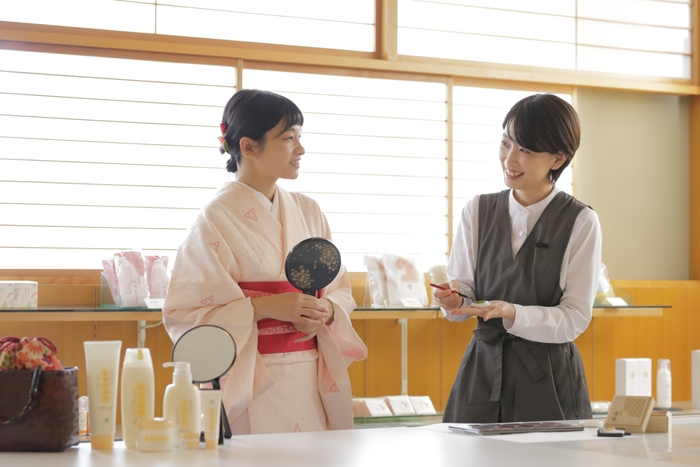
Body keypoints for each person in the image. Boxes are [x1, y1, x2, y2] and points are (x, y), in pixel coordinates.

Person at [163, 89, 367, 435]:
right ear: (249, 146)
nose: (300, 149)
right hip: (254, 379)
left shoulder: (308, 210)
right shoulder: (213, 220)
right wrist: (266, 308)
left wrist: (326, 310)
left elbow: (339, 289)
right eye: (289, 138)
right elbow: (188, 313)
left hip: (311, 373)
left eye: (300, 136)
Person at [434, 93, 602, 423]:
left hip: (549, 378)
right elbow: (463, 294)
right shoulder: (477, 210)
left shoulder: (581, 221)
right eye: (505, 143)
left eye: (525, 150)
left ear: (558, 159)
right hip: (482, 371)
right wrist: (453, 300)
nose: (509, 159)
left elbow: (574, 318)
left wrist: (513, 312)